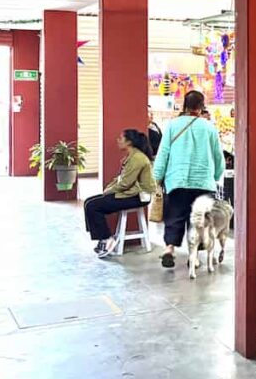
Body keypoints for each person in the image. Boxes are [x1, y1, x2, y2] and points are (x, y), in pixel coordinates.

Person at [153, 90, 225, 269]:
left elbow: (163, 154)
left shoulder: (172, 125)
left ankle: (169, 249)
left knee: (174, 216)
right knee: (199, 221)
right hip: (203, 183)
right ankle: (194, 257)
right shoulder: (209, 128)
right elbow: (219, 157)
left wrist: (157, 177)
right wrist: (215, 176)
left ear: (184, 105)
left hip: (177, 181)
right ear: (201, 107)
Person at [84, 129, 157, 258]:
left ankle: (107, 239)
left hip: (138, 197)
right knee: (88, 202)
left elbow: (125, 183)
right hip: (129, 193)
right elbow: (120, 180)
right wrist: (108, 189)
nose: (118, 140)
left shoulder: (137, 158)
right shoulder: (131, 156)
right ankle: (102, 238)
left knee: (93, 206)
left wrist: (108, 191)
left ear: (129, 142)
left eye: (121, 138)